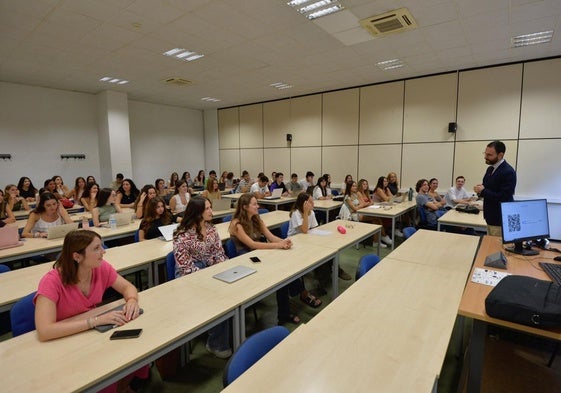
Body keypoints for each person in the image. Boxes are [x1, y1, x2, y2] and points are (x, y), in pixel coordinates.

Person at [34, 230, 149, 391]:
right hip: (64, 343)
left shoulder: (100, 268)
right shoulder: (51, 281)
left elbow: (127, 287)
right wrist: (94, 321)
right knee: (107, 377)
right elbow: (45, 331)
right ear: (77, 256)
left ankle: (124, 386)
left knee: (137, 355)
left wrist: (131, 300)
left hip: (90, 335)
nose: (103, 251)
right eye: (96, 248)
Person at [173, 197, 232, 358]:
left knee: (230, 289)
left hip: (209, 269)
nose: (211, 211)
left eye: (210, 207)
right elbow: (186, 268)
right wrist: (211, 278)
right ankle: (216, 343)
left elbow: (219, 253)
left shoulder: (211, 229)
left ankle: (222, 335)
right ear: (197, 212)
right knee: (217, 296)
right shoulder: (182, 235)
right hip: (189, 275)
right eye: (207, 208)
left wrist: (223, 268)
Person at [228, 194, 299, 324]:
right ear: (244, 207)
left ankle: (284, 313)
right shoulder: (236, 224)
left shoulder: (256, 220)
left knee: (283, 273)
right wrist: (278, 245)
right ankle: (285, 309)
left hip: (258, 254)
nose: (258, 206)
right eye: (254, 204)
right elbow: (252, 244)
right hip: (245, 259)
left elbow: (271, 237)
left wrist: (285, 241)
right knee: (278, 273)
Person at [286, 192, 323, 308]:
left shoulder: (311, 213)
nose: (313, 203)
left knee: (324, 255)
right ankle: (302, 292)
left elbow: (314, 228)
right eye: (310, 202)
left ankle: (323, 282)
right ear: (304, 204)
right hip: (294, 244)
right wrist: (306, 213)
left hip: (305, 242)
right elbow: (305, 229)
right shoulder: (296, 214)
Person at [474, 140, 516, 236]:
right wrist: (480, 190)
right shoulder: (490, 169)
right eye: (485, 153)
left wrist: (483, 191)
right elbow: (488, 188)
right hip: (490, 216)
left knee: (497, 248)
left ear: (500, 155)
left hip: (500, 218)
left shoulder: (508, 171)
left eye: (489, 155)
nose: (485, 157)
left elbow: (504, 196)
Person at [357, 179, 393, 246]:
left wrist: (368, 203)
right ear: (360, 185)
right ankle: (383, 237)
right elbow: (363, 204)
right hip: (361, 214)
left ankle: (377, 241)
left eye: (366, 184)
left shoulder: (366, 193)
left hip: (367, 211)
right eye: (363, 184)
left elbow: (371, 202)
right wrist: (369, 203)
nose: (365, 185)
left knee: (376, 220)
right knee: (377, 219)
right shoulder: (359, 193)